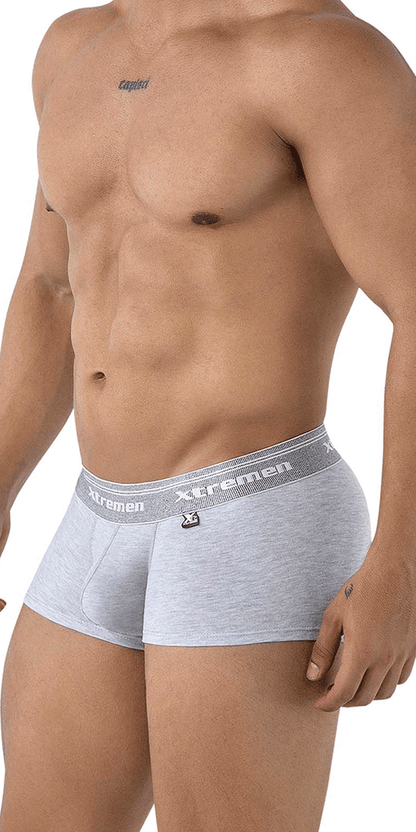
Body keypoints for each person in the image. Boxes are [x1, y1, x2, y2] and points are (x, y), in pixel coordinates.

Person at [1, 0, 416, 829]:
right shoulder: (73, 47)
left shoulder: (322, 56)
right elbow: (50, 289)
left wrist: (403, 561)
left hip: (255, 510)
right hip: (95, 513)